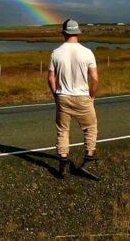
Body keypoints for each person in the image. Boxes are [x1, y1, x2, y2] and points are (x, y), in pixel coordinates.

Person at [47, 19, 99, 179]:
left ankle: (63, 161)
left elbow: (50, 78)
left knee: (63, 130)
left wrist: (56, 95)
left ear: (63, 32)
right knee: (90, 127)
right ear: (77, 32)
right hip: (83, 96)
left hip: (63, 96)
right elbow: (94, 78)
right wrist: (92, 96)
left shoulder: (56, 52)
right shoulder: (87, 52)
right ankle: (88, 159)